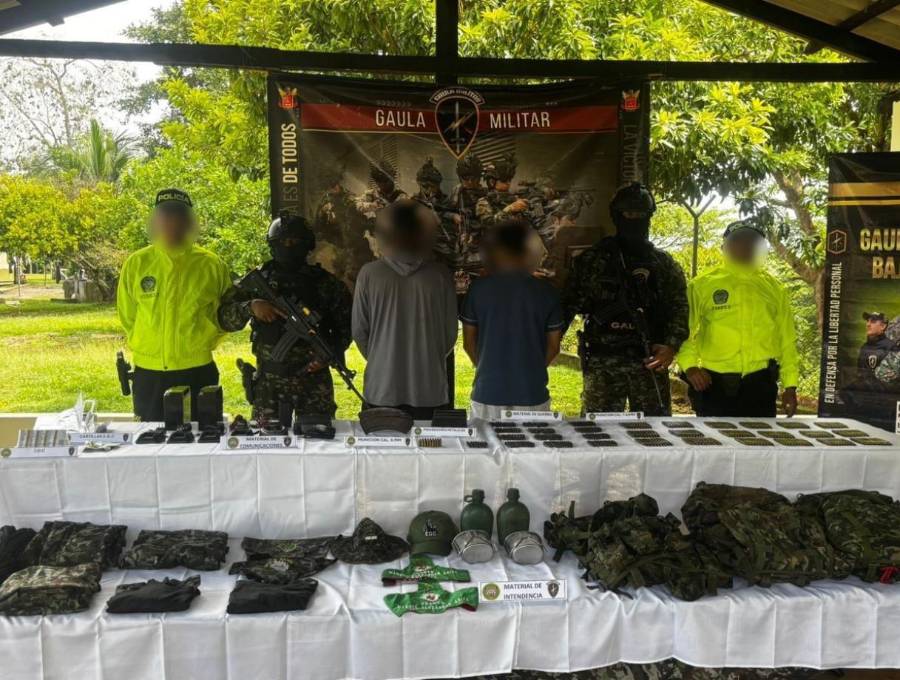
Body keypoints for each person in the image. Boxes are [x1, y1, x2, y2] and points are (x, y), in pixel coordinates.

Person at [562, 182, 688, 416]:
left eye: (641, 214)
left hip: (649, 360)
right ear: (617, 216)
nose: (635, 219)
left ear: (649, 217)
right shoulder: (594, 260)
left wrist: (670, 345)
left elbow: (679, 309)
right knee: (598, 435)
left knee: (655, 435)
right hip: (604, 362)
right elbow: (567, 307)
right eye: (629, 214)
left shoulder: (664, 264)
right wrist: (547, 346)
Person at [217, 213, 352, 421]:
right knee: (267, 446)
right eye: (282, 242)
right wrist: (251, 307)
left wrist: (329, 353)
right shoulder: (259, 280)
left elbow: (347, 326)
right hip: (270, 383)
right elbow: (224, 318)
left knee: (319, 444)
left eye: (295, 242)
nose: (288, 246)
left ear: (307, 245)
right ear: (273, 245)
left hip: (313, 382)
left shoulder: (326, 284)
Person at [116, 189, 231, 422]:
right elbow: (128, 316)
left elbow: (227, 315)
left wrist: (201, 341)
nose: (171, 221)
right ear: (155, 220)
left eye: (178, 215)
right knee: (150, 442)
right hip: (149, 373)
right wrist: (148, 344)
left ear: (189, 221)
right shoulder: (137, 263)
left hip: (197, 370)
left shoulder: (210, 265)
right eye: (165, 215)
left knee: (202, 442)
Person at [678, 218, 799, 418]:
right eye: (738, 240)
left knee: (760, 447)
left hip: (760, 386)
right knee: (713, 446)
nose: (744, 246)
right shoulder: (701, 285)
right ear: (724, 246)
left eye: (751, 241)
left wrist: (791, 386)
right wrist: (690, 367)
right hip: (714, 385)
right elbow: (684, 331)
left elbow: (787, 340)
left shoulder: (775, 288)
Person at [352, 198, 458, 420]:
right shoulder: (440, 276)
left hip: (382, 388)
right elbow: (449, 334)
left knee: (380, 453)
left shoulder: (369, 274)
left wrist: (383, 358)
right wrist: (427, 357)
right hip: (429, 390)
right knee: (430, 452)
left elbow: (360, 331)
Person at [461, 218, 563, 420]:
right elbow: (553, 347)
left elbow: (468, 343)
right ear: (528, 251)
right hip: (532, 393)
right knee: (531, 450)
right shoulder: (547, 292)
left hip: (487, 391)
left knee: (485, 450)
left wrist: (488, 368)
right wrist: (529, 369)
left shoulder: (478, 289)